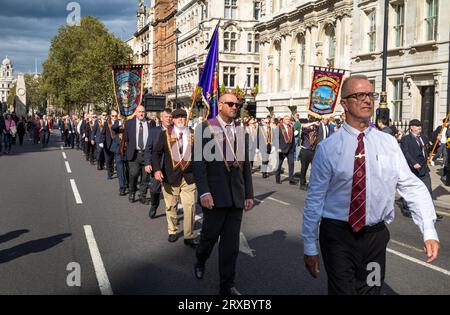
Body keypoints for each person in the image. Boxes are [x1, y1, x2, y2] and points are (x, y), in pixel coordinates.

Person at [301, 75, 440, 295]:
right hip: (338, 237)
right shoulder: (328, 148)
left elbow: (411, 186)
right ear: (344, 103)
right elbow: (315, 200)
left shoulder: (388, 143)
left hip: (375, 240)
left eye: (370, 94)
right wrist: (309, 246)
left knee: (373, 290)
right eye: (359, 95)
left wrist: (429, 231)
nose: (367, 100)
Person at [193, 93, 254, 296]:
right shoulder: (205, 127)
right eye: (230, 103)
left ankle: (226, 285)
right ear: (219, 105)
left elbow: (245, 166)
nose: (234, 107)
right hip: (215, 196)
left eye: (237, 104)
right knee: (208, 239)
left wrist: (249, 193)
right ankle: (200, 259)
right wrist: (204, 193)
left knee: (231, 246)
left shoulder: (240, 130)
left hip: (236, 195)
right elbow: (199, 164)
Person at [152, 109, 198, 247]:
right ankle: (172, 231)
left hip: (189, 177)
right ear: (173, 119)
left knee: (190, 206)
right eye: (177, 117)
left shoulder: (193, 135)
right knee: (171, 206)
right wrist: (157, 170)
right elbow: (156, 153)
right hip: (170, 177)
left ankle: (188, 235)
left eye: (183, 117)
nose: (181, 119)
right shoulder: (164, 135)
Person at [399, 119, 443, 221]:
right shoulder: (406, 139)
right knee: (410, 191)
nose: (420, 127)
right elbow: (405, 153)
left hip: (424, 169)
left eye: (420, 125)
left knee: (428, 191)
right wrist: (413, 163)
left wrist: (438, 141)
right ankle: (407, 209)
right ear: (411, 127)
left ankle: (431, 213)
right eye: (417, 126)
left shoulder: (423, 137)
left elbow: (431, 149)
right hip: (412, 170)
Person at [144, 108, 172, 218]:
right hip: (157, 166)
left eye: (170, 117)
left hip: (171, 167)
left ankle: (171, 213)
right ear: (161, 118)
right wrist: (147, 163)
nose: (168, 119)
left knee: (171, 193)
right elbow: (148, 149)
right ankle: (154, 205)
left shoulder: (175, 131)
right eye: (166, 117)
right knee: (154, 190)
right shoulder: (154, 131)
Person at [124, 105, 152, 204]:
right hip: (134, 154)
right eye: (139, 111)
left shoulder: (150, 123)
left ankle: (142, 196)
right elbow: (126, 139)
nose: (141, 113)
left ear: (145, 113)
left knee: (145, 177)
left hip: (146, 154)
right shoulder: (128, 123)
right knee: (134, 174)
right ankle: (132, 192)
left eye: (143, 112)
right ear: (136, 112)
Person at [298, 117, 320, 190]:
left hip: (313, 150)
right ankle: (302, 183)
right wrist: (313, 123)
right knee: (304, 168)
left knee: (314, 168)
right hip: (305, 150)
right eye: (313, 122)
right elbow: (302, 126)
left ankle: (312, 183)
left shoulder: (316, 129)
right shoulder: (306, 128)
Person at [275, 115, 296, 185]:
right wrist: (277, 148)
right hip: (281, 149)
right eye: (286, 119)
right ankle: (277, 178)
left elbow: (292, 139)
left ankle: (291, 179)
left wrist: (293, 148)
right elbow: (275, 138)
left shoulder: (291, 127)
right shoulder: (279, 127)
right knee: (279, 165)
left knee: (291, 164)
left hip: (290, 149)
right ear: (283, 120)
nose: (288, 120)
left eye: (289, 119)